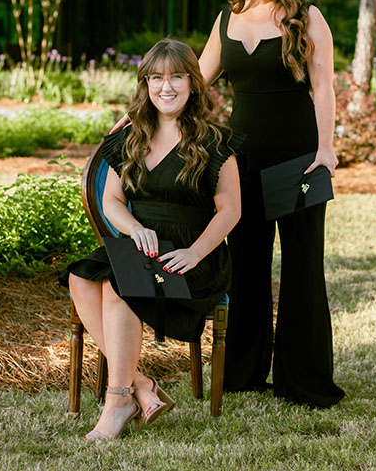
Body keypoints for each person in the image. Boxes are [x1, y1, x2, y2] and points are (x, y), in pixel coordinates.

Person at [60, 39, 242, 440]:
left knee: (115, 284)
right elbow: (110, 200)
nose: (167, 87)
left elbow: (231, 210)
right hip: (140, 245)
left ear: (193, 84)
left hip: (190, 255)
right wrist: (134, 228)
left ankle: (117, 401)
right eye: (157, 78)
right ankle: (139, 386)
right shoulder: (129, 137)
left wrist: (195, 252)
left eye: (177, 77)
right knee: (81, 279)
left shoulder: (214, 142)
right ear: (146, 84)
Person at [197, 0, 345, 407]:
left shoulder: (307, 16)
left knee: (303, 267)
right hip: (241, 161)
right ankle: (241, 373)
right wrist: (135, 115)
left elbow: (323, 87)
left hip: (299, 159)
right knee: (248, 266)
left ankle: (303, 381)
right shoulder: (227, 20)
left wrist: (326, 149)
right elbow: (194, 83)